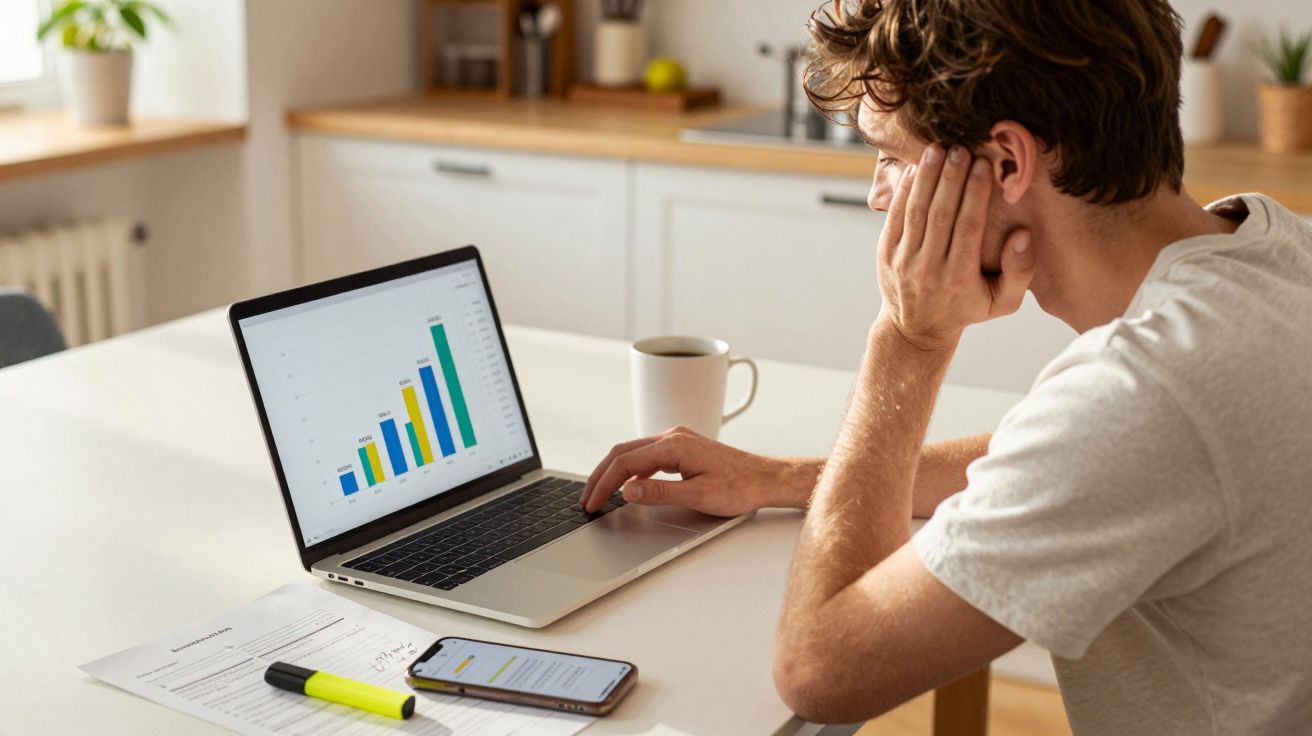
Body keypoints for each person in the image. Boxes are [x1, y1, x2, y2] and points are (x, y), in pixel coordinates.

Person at [577, 0, 1312, 732]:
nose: (877, 195)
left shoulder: (1147, 392)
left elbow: (817, 672)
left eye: (892, 156)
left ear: (1006, 161)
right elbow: (1075, 464)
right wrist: (782, 478)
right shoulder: (1277, 250)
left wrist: (908, 341)